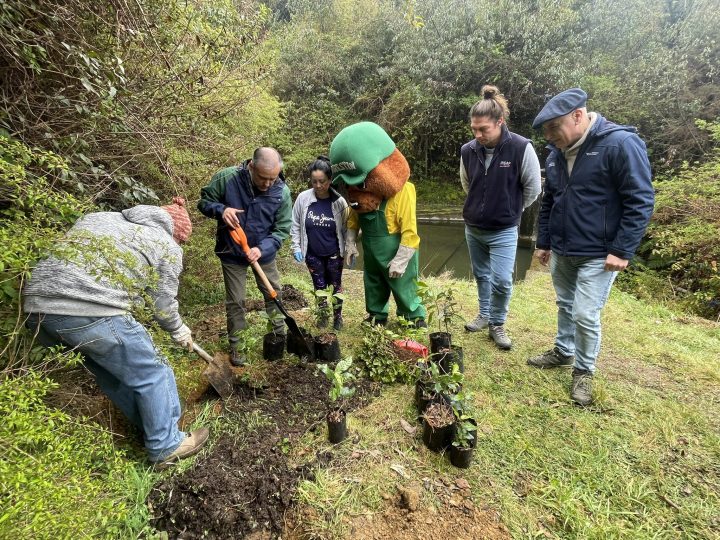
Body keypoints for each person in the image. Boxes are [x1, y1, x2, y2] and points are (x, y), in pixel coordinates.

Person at [23, 197, 209, 468]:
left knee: (114, 374)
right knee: (154, 372)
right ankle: (166, 444)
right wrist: (178, 329)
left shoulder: (100, 218)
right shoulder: (166, 244)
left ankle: (149, 428)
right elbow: (162, 304)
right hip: (88, 308)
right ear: (177, 234)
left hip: (38, 312)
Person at [528, 88, 654, 406]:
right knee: (565, 305)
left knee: (585, 313)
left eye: (554, 129)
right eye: (546, 132)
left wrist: (622, 250)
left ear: (578, 116)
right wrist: (544, 242)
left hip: (600, 252)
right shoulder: (556, 152)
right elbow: (551, 201)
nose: (551, 137)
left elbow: (640, 199)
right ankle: (563, 351)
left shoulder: (620, 144)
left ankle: (583, 372)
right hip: (563, 247)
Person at [460, 85, 542, 350]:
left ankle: (497, 323)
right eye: (474, 129)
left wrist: (510, 209)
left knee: (503, 280)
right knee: (482, 275)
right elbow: (467, 184)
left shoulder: (520, 148)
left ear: (500, 123)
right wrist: (478, 205)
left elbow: (533, 188)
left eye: (484, 129)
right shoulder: (468, 150)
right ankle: (484, 314)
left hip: (504, 229)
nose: (478, 135)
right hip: (473, 227)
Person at [198, 147, 292, 366]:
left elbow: (281, 230)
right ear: (251, 166)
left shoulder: (282, 192)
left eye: (273, 178)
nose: (268, 183)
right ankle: (238, 346)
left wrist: (263, 249)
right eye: (263, 178)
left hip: (263, 252)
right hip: (232, 250)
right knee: (236, 301)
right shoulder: (227, 178)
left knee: (273, 293)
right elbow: (203, 202)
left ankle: (279, 336)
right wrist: (221, 210)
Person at [330, 121, 426, 327]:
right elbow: (354, 218)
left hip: (396, 247)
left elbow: (410, 230)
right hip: (372, 251)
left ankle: (413, 316)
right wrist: (350, 241)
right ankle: (376, 314)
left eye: (361, 183)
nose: (354, 191)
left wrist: (402, 258)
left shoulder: (403, 191)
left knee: (404, 284)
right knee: (373, 283)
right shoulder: (357, 197)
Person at [290, 156, 349, 331]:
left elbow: (347, 228)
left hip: (334, 254)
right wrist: (296, 246)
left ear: (330, 180)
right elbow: (295, 223)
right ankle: (323, 316)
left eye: (322, 181)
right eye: (314, 181)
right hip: (312, 254)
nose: (317, 185)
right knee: (319, 286)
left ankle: (338, 317)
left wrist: (348, 250)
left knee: (335, 285)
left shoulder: (339, 202)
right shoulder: (303, 199)